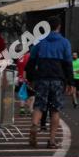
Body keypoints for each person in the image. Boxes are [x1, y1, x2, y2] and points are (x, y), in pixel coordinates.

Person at [26, 16, 72, 148]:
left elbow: (31, 63)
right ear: (59, 27)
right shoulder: (64, 42)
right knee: (55, 110)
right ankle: (51, 140)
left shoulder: (40, 42)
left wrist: (31, 79)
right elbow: (68, 64)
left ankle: (35, 126)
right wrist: (71, 82)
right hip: (57, 79)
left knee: (39, 106)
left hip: (42, 78)